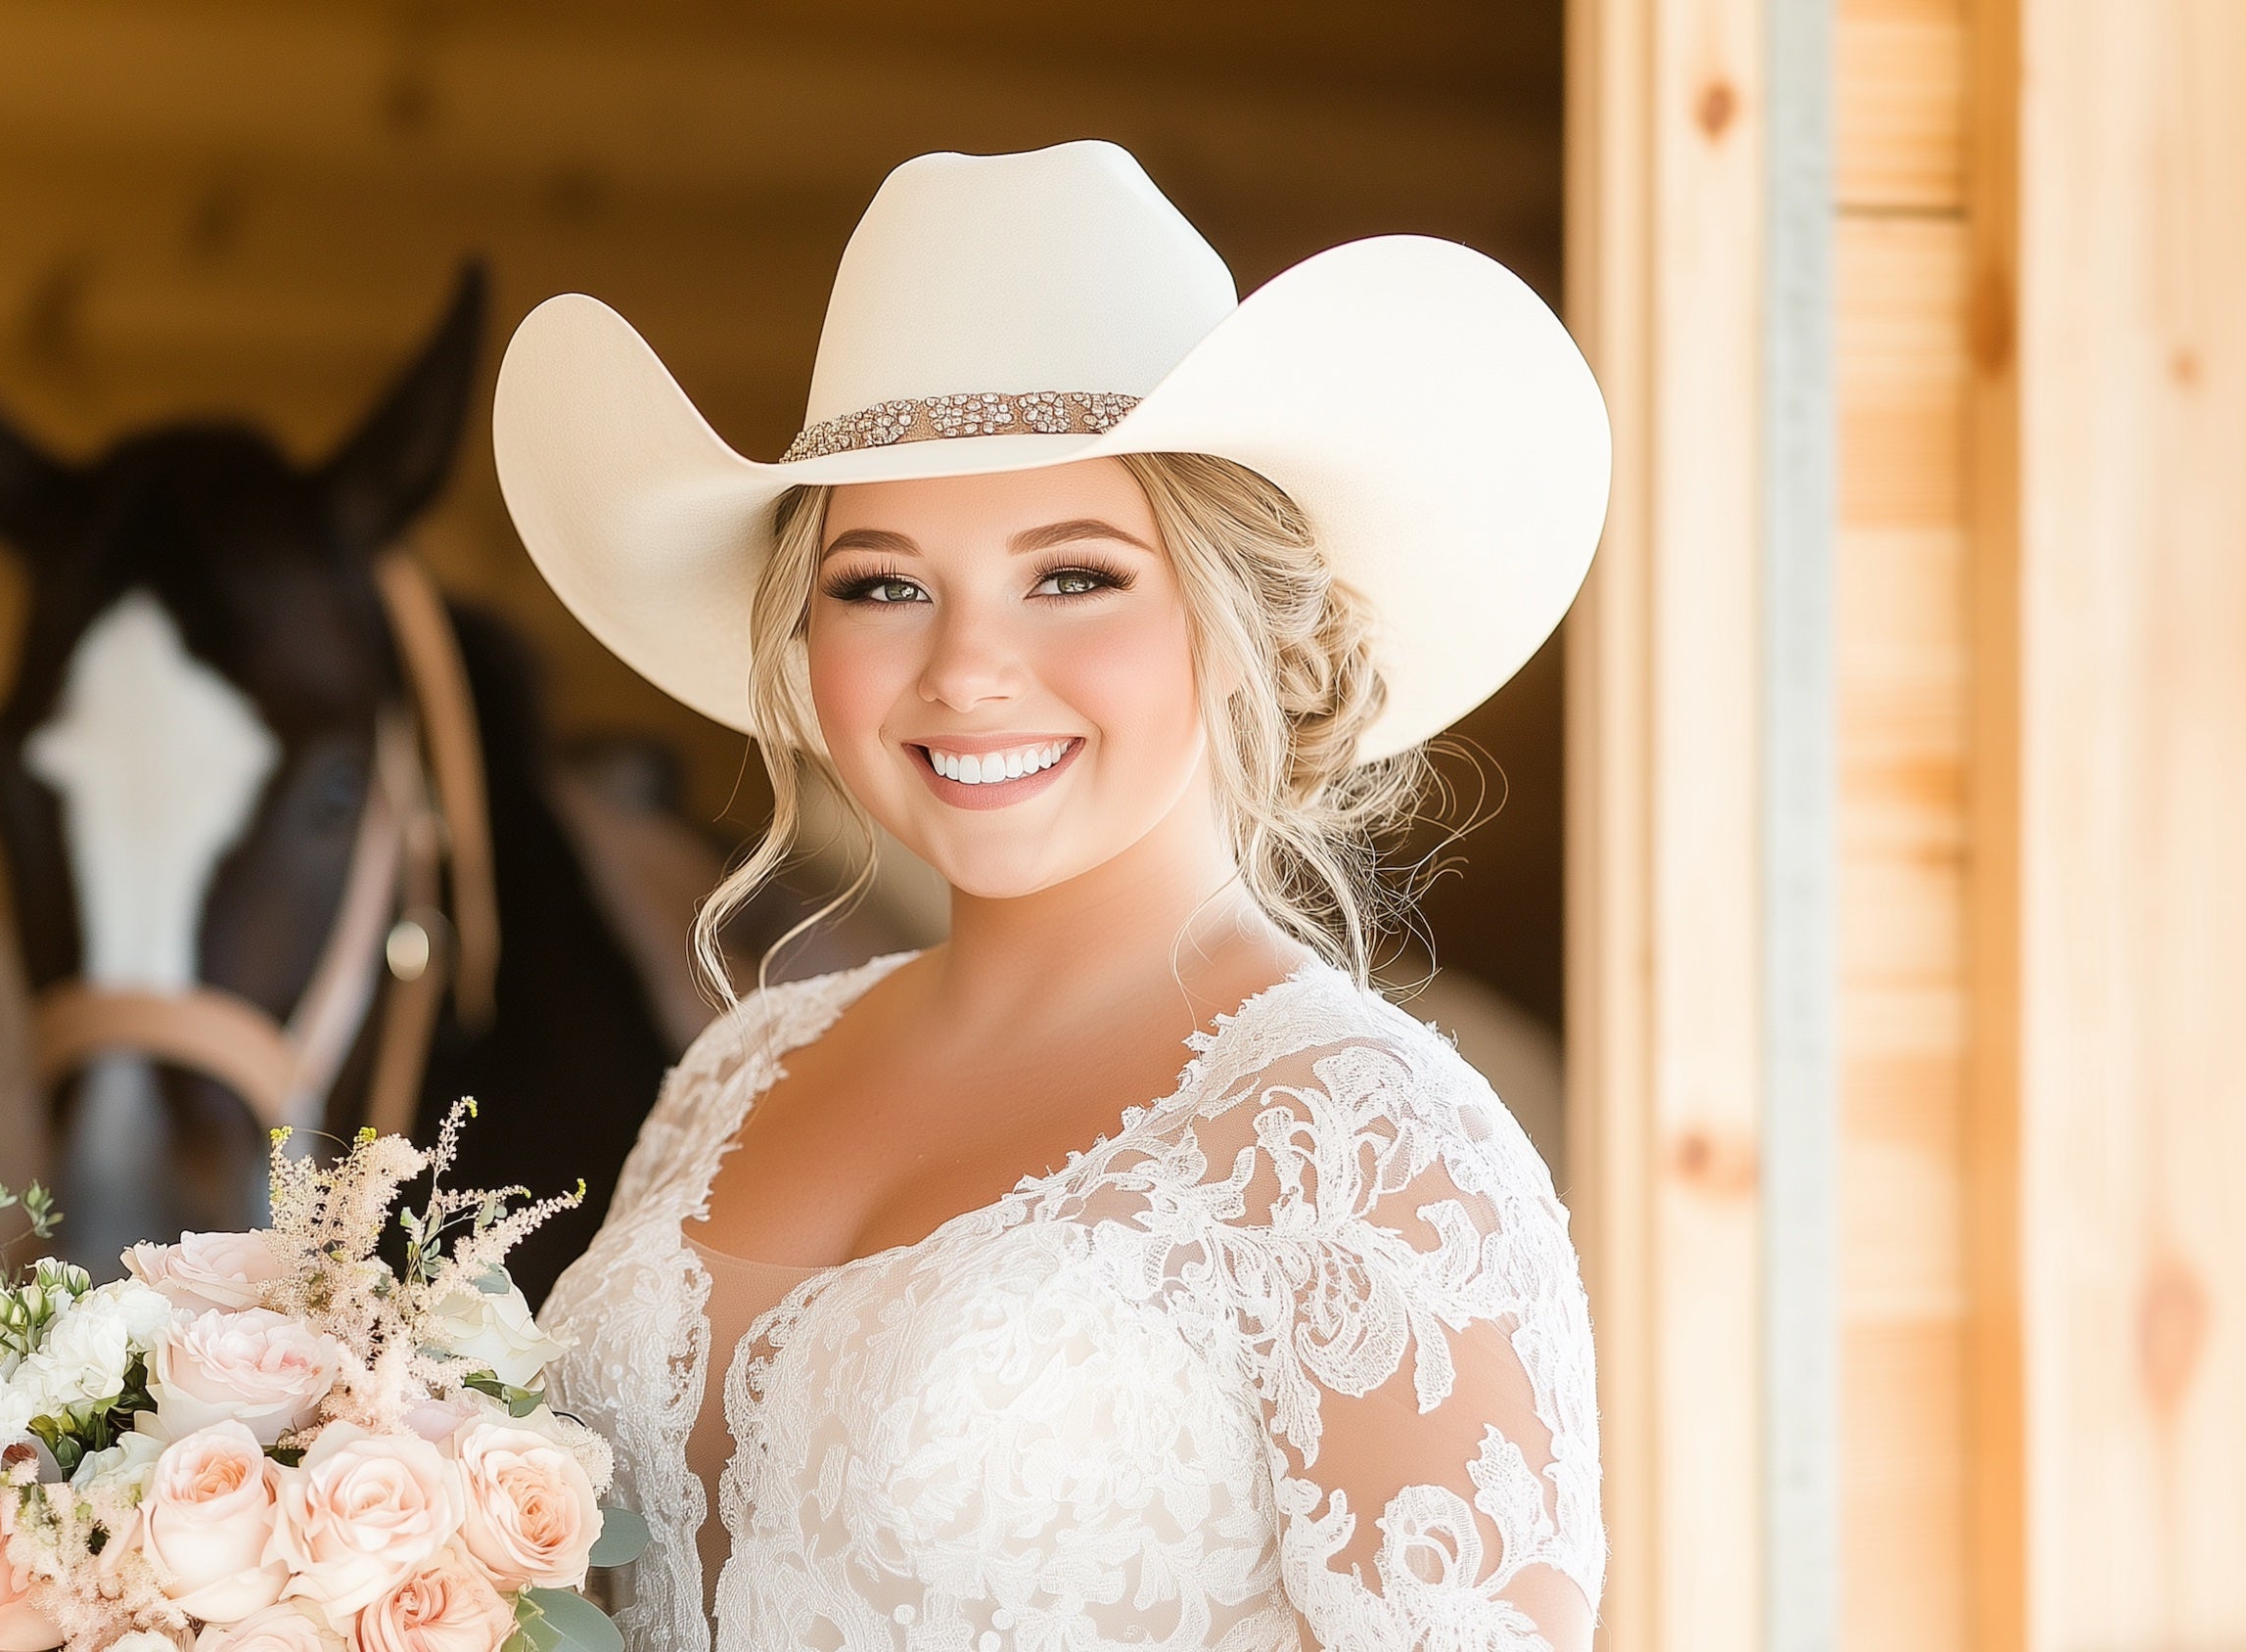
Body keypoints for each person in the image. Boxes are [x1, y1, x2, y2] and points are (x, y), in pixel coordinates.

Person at [493, 141, 1610, 1652]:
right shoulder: (736, 1073)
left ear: (1238, 624)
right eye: (881, 583)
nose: (964, 669)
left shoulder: (1369, 1151)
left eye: (1074, 576)